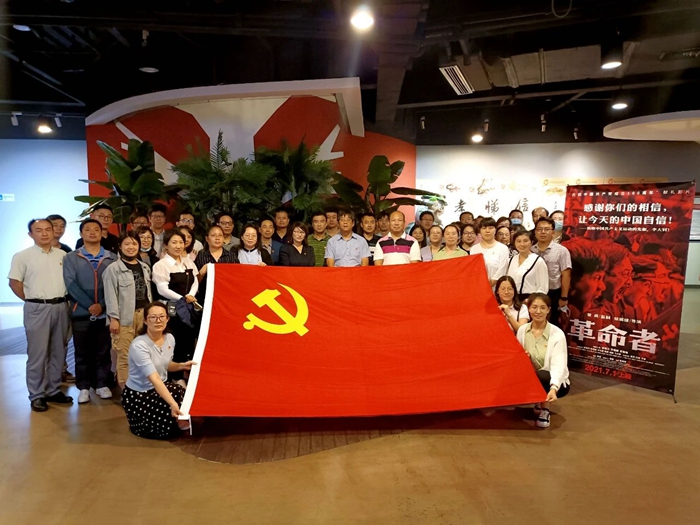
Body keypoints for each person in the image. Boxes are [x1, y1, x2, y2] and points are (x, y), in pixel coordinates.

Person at [8, 219, 73, 412]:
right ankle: (36, 394)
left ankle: (53, 390)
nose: (44, 233)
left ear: (53, 232)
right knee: (37, 353)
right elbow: (14, 283)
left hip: (61, 306)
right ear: (31, 234)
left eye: (47, 229)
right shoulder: (22, 256)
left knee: (59, 351)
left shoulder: (63, 255)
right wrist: (32, 300)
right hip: (37, 308)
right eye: (38, 230)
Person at [122, 302, 195, 439]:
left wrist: (182, 366)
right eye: (153, 317)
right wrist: (172, 403)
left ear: (167, 319)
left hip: (159, 387)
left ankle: (177, 417)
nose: (158, 320)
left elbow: (165, 364)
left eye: (162, 316)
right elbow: (155, 379)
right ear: (145, 321)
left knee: (180, 392)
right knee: (168, 431)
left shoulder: (170, 338)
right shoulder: (139, 345)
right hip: (140, 394)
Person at [63, 219, 117, 404]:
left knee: (103, 351)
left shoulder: (111, 257)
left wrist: (101, 305)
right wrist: (90, 305)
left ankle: (102, 384)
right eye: (87, 229)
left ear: (102, 233)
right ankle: (84, 387)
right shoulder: (71, 258)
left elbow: (114, 285)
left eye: (96, 229)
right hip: (80, 312)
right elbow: (71, 284)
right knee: (82, 352)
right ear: (81, 234)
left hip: (104, 311)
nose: (92, 232)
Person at [103, 232, 153, 389]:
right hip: (124, 318)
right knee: (124, 357)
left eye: (134, 244)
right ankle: (126, 392)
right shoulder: (113, 269)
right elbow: (110, 296)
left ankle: (141, 389)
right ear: (120, 247)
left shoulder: (144, 267)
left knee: (143, 355)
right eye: (127, 244)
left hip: (143, 316)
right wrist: (113, 319)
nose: (131, 247)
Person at [516, 293, 570, 429]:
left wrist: (554, 388)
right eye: (534, 307)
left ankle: (545, 409)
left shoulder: (557, 334)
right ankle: (537, 399)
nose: (538, 311)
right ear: (529, 309)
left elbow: (559, 365)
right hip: (530, 377)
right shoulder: (522, 330)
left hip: (552, 381)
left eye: (542, 307)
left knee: (543, 375)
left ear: (548, 310)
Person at [152, 230, 199, 383]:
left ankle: (188, 376)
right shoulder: (161, 265)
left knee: (189, 341)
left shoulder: (188, 262)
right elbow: (162, 289)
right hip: (171, 310)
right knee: (174, 342)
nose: (178, 246)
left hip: (189, 308)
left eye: (181, 242)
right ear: (166, 245)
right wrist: (182, 299)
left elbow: (195, 281)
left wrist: (190, 295)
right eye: (174, 242)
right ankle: (174, 378)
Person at [531, 217, 572, 327]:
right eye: (539, 229)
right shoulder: (531, 250)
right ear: (535, 232)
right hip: (534, 292)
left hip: (553, 293)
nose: (543, 232)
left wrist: (564, 297)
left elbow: (566, 275)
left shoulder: (562, 251)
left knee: (551, 323)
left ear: (553, 232)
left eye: (546, 229)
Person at [194, 225, 238, 304]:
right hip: (205, 298)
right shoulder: (201, 256)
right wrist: (201, 273)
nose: (217, 238)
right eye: (213, 235)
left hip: (227, 299)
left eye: (220, 235)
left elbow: (237, 279)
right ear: (207, 238)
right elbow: (194, 282)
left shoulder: (231, 256)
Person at [507, 230, 550, 302]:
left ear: (531, 242)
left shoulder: (538, 261)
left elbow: (543, 288)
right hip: (512, 300)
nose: (522, 244)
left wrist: (531, 301)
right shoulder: (510, 260)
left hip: (530, 300)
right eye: (519, 241)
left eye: (525, 241)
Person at [470, 217, 510, 287]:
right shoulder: (474, 249)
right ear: (479, 230)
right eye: (484, 228)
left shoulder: (503, 248)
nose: (487, 231)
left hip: (497, 287)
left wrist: (489, 285)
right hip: (479, 286)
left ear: (495, 230)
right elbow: (473, 270)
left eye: (490, 228)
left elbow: (502, 270)